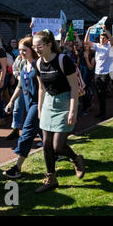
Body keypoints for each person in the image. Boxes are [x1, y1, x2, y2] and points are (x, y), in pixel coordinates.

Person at [33, 30, 85, 193]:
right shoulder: (38, 63)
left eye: (39, 46)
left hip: (65, 102)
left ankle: (76, 159)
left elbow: (74, 89)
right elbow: (41, 88)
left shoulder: (63, 60)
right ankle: (51, 179)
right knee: (46, 145)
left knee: (58, 145)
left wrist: (72, 111)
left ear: (49, 45)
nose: (36, 49)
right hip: (48, 103)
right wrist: (40, 108)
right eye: (34, 46)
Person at [3, 37, 43, 178]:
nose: (21, 53)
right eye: (20, 50)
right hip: (28, 103)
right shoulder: (22, 65)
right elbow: (20, 86)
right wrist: (11, 101)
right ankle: (70, 156)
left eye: (24, 50)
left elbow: (43, 88)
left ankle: (17, 168)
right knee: (46, 136)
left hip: (39, 104)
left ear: (32, 50)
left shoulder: (38, 65)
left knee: (26, 133)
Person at [84, 25, 113, 120]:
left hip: (106, 73)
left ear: (107, 40)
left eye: (104, 38)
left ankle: (103, 113)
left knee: (102, 92)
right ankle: (101, 112)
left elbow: (112, 40)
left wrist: (105, 30)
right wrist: (89, 30)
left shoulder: (109, 46)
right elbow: (86, 42)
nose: (102, 40)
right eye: (101, 38)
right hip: (97, 73)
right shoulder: (97, 46)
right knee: (98, 93)